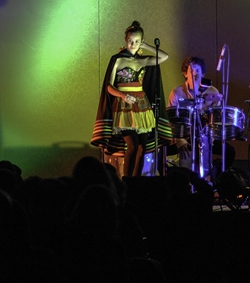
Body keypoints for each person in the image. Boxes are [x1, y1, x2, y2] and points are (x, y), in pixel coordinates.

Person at [92, 21, 172, 177]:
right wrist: (122, 95)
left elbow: (164, 56)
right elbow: (108, 86)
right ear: (125, 40)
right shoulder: (118, 59)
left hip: (141, 106)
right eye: (130, 41)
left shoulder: (143, 60)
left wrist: (146, 46)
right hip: (124, 106)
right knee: (133, 145)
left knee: (142, 147)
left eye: (136, 41)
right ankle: (127, 180)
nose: (133, 44)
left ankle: (135, 181)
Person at [167, 56, 234, 180]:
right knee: (162, 151)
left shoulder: (213, 92)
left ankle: (215, 176)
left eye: (197, 70)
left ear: (203, 74)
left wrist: (210, 138)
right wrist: (179, 140)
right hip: (184, 137)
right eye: (191, 70)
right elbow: (171, 120)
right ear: (185, 73)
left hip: (206, 136)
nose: (194, 73)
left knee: (229, 151)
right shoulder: (176, 92)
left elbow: (215, 119)